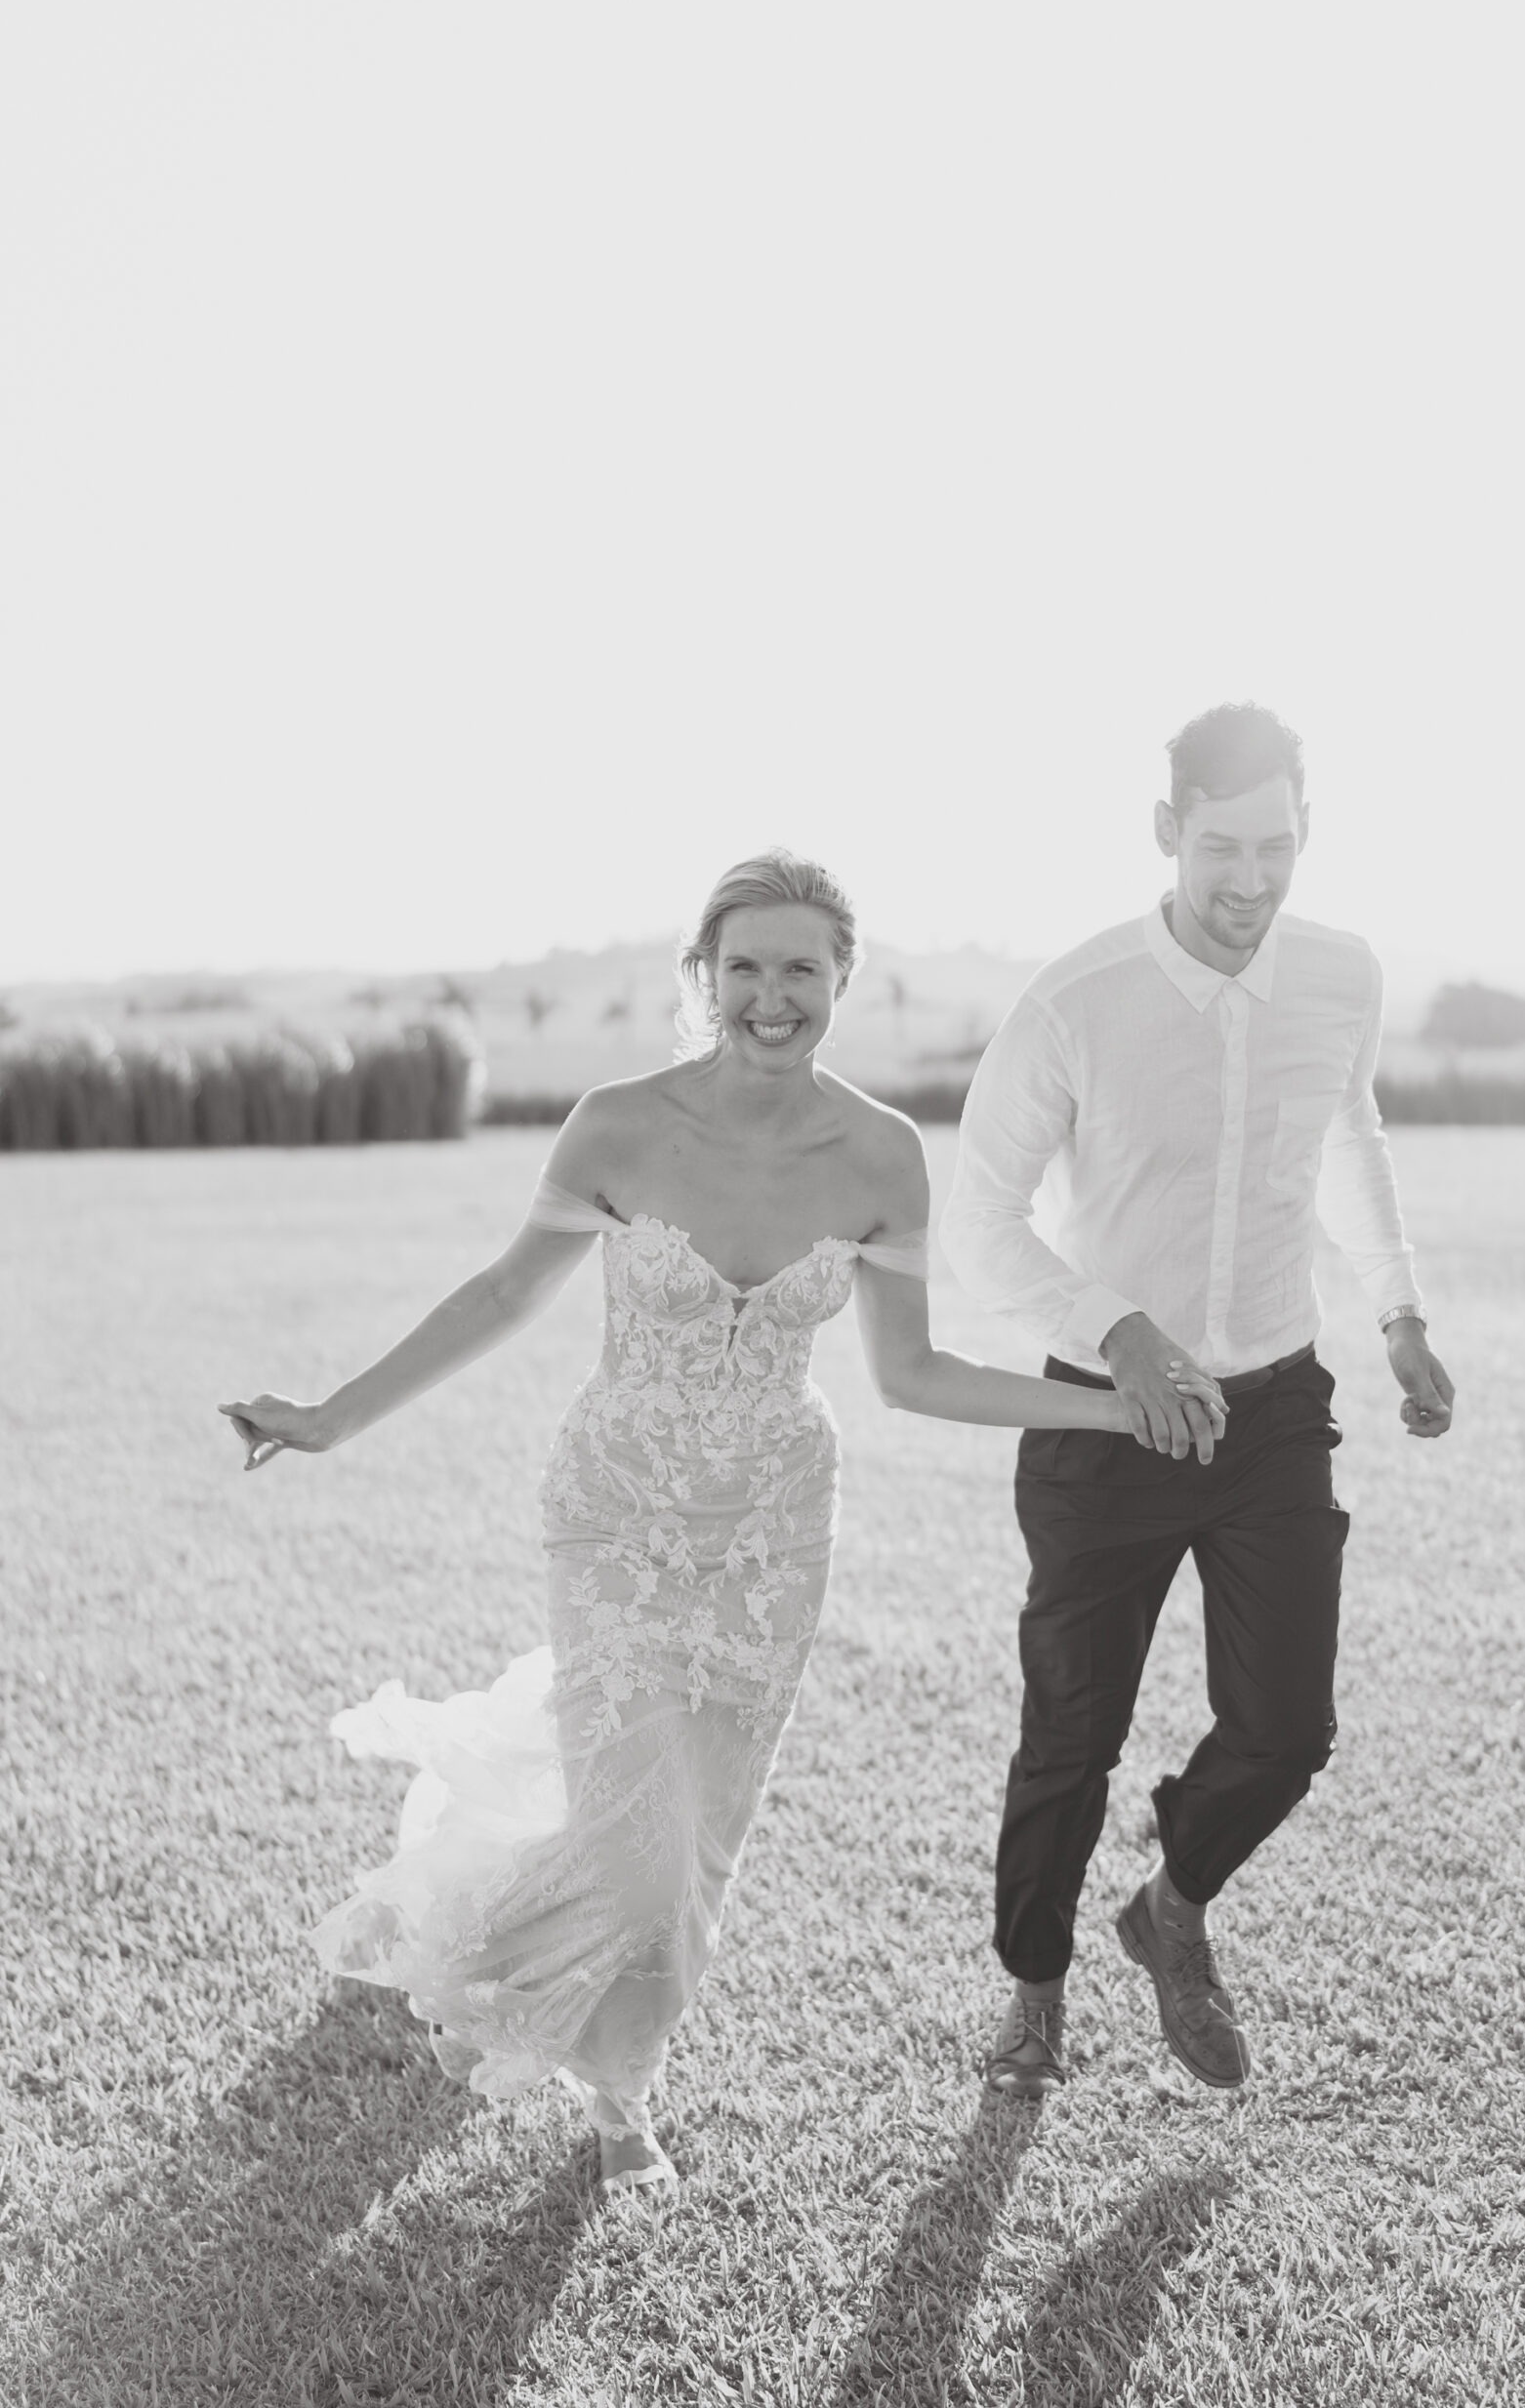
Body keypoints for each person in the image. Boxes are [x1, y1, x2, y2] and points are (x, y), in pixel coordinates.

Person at [221, 851, 1225, 2199]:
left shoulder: (881, 1154)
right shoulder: (619, 1126)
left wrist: (1115, 1411)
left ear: (839, 982)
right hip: (619, 1516)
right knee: (636, 1859)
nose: (771, 995)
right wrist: (335, 1414)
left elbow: (912, 1373)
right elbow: (503, 1295)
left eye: (800, 969)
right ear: (707, 975)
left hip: (772, 1537)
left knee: (690, 1849)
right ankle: (507, 1979)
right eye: (744, 966)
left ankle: (623, 2085)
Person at [938, 705, 1456, 2100]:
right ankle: (1033, 2002)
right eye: (1221, 845)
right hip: (1105, 1421)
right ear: (1168, 832)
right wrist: (1120, 1335)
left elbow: (1348, 1131)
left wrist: (1398, 1310)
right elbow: (977, 1222)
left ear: (1306, 834)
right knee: (1073, 1731)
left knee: (1290, 1727)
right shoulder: (1074, 1001)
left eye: (1275, 845)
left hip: (1274, 1408)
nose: (1249, 877)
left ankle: (1170, 1909)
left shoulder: (1342, 977)